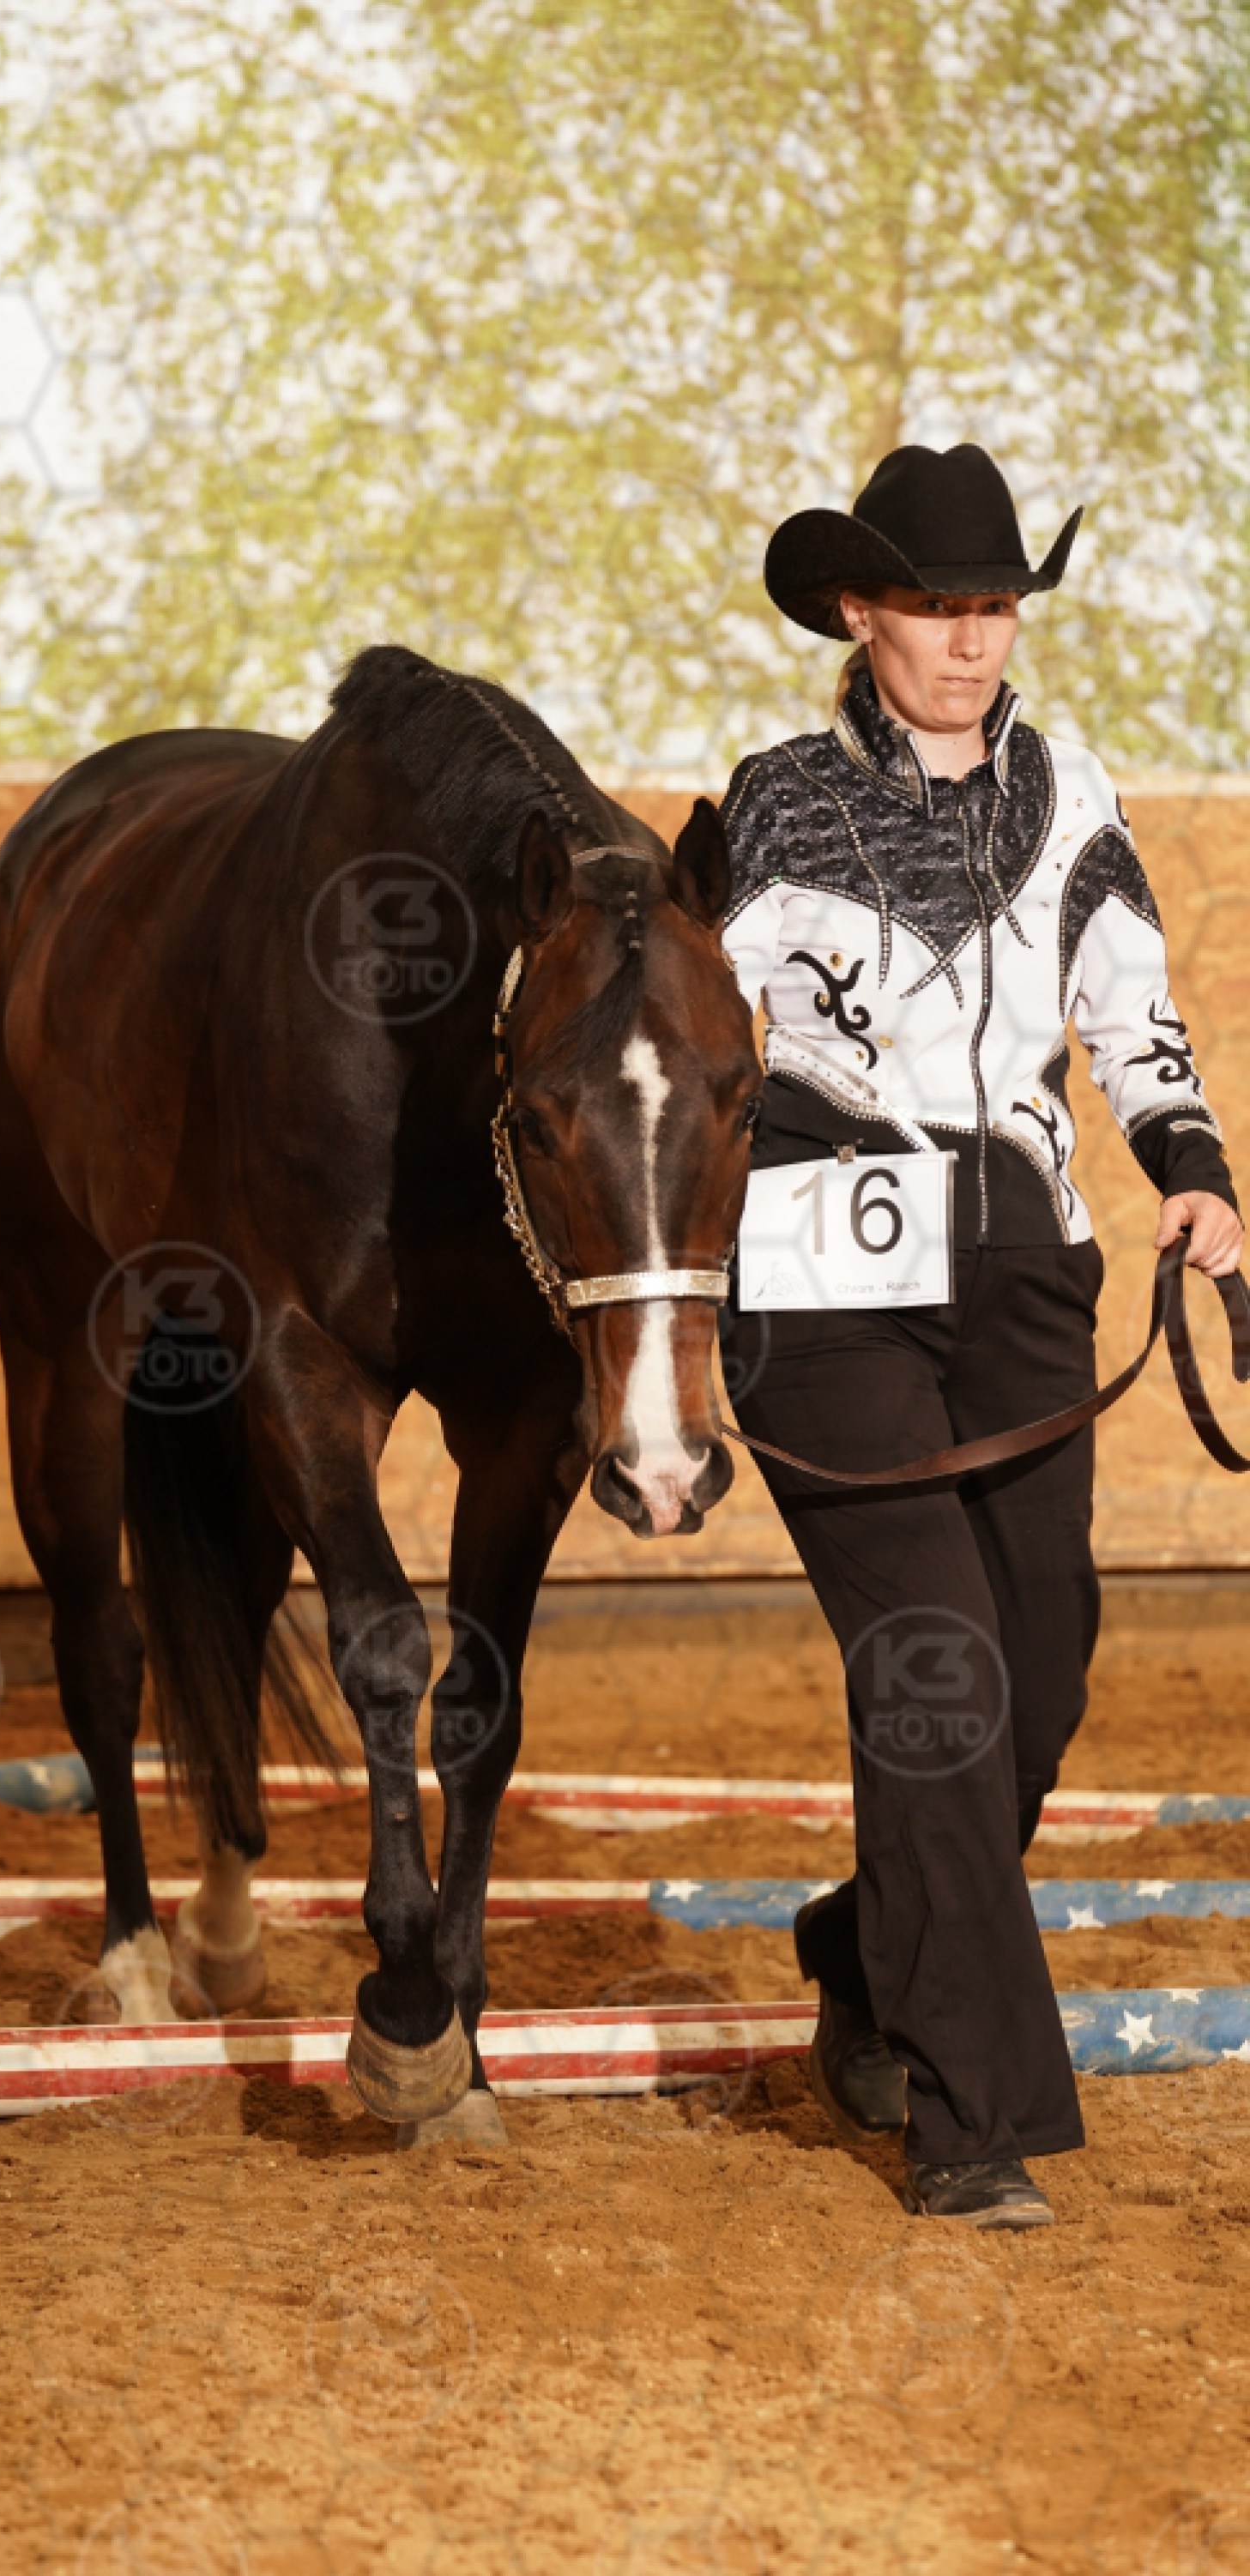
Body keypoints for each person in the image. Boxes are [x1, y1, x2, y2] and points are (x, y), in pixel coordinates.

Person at [717, 443, 1243, 2229]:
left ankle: (862, 1946)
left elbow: (1132, 1017)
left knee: (1044, 1668)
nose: (969, 638)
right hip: (826, 1276)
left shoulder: (1072, 790)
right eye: (935, 605)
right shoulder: (774, 804)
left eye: (996, 606)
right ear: (858, 612)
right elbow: (694, 1048)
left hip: (1023, 1264)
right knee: (935, 1666)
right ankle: (969, 2120)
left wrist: (1193, 1169)